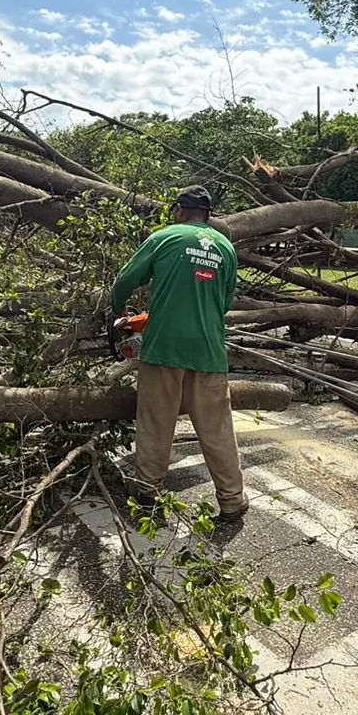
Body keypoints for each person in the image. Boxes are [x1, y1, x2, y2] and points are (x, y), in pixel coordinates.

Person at [110, 185, 246, 521]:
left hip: (163, 350)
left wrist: (115, 311)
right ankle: (232, 500)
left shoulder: (164, 238)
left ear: (179, 211)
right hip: (209, 352)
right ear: (207, 214)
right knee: (217, 429)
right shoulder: (226, 248)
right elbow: (224, 303)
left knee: (157, 421)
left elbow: (124, 281)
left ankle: (147, 490)